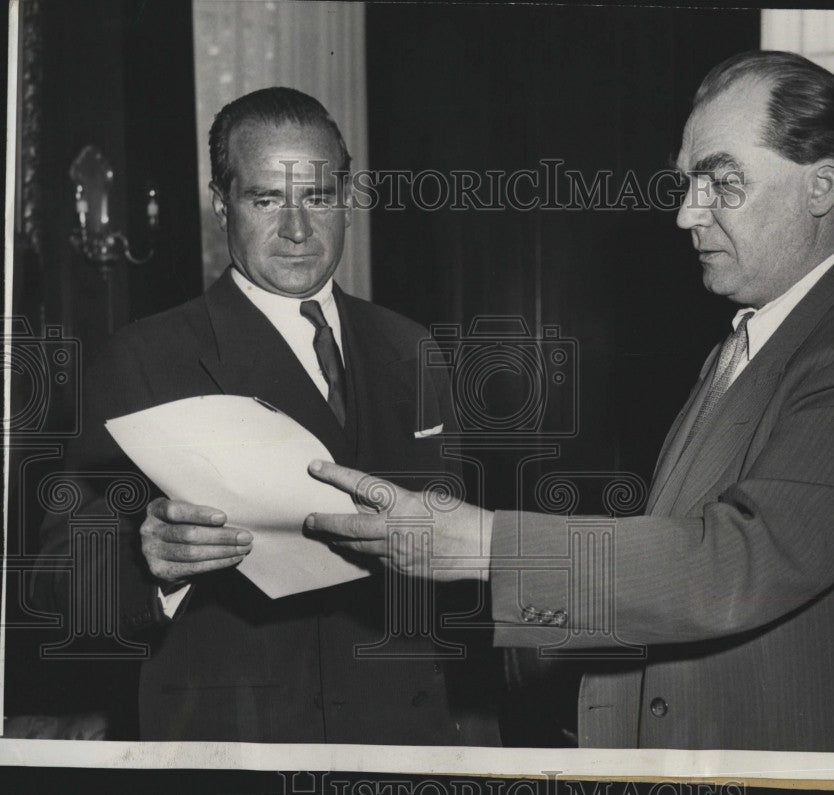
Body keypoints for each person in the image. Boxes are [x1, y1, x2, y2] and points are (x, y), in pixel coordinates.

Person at [306, 51, 834, 753]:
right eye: (687, 180)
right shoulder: (761, 333)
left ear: (820, 186)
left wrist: (484, 544)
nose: (687, 211)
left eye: (722, 181)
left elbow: (735, 563)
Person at [30, 87, 499, 744]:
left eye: (318, 196)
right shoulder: (142, 356)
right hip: (239, 749)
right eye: (266, 199)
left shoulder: (410, 346)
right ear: (222, 206)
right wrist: (152, 568)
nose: (299, 228)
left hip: (404, 739)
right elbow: (58, 582)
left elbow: (452, 570)